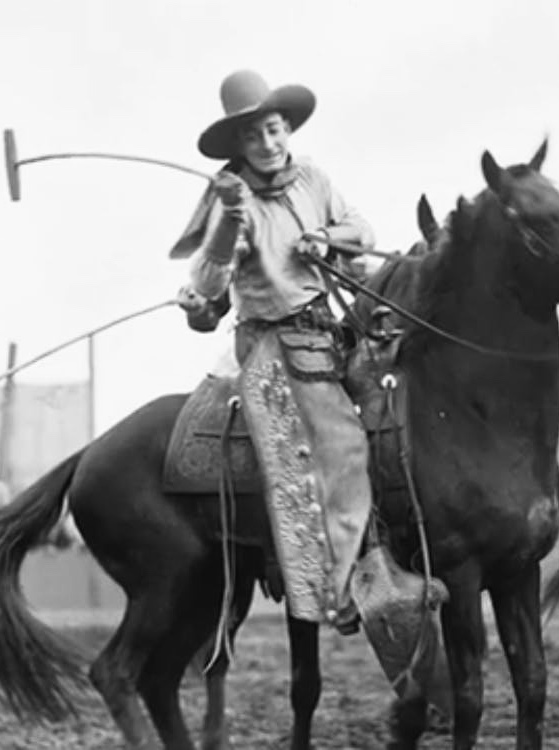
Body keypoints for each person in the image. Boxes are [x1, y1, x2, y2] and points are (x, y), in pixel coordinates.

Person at [171, 70, 375, 630]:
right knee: (342, 446)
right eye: (253, 136)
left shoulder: (313, 179)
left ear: (287, 129)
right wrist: (229, 221)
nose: (267, 144)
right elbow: (209, 284)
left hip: (328, 332)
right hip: (272, 344)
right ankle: (335, 589)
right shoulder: (228, 201)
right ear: (237, 145)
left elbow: (363, 228)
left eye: (274, 130)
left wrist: (325, 238)